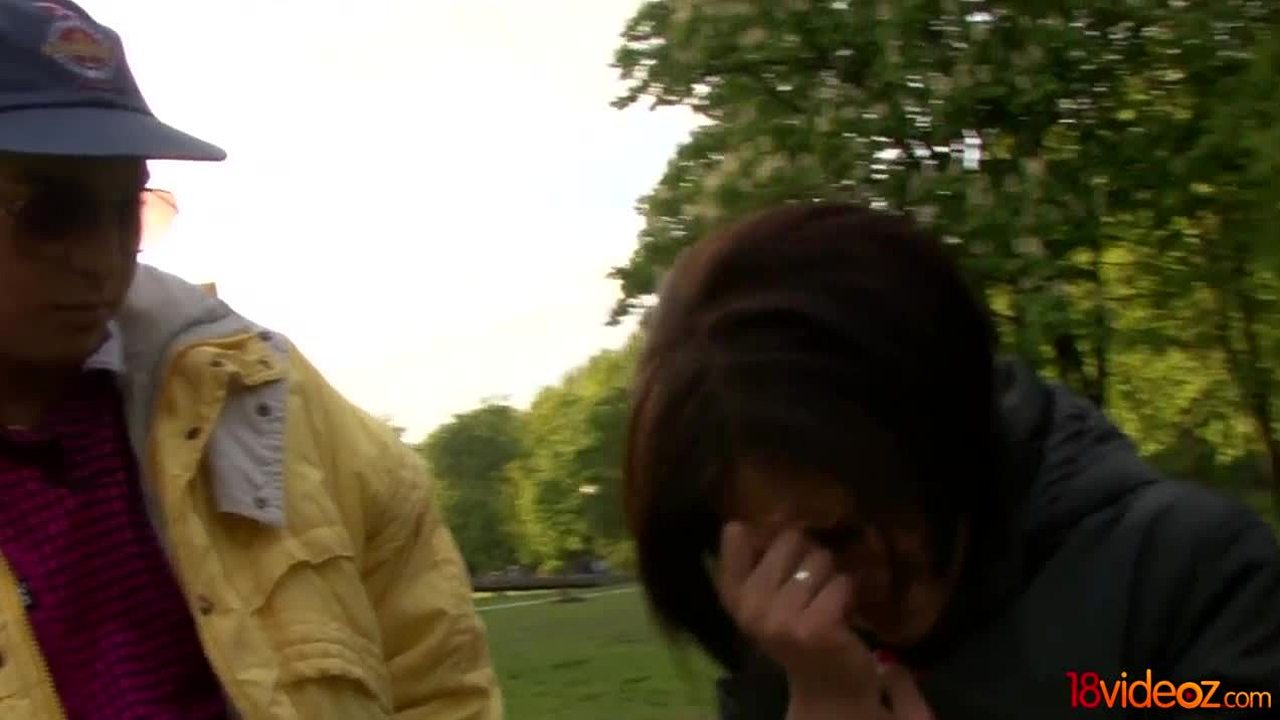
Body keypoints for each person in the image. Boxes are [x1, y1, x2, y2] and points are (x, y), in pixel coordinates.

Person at [0, 1, 501, 718]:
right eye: (51, 214)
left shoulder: (260, 400)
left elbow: (437, 680)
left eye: (124, 210)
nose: (102, 258)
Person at [623, 202, 1280, 719]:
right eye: (771, 558)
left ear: (942, 439)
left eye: (841, 536)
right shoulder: (792, 657)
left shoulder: (1188, 580)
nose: (824, 593)